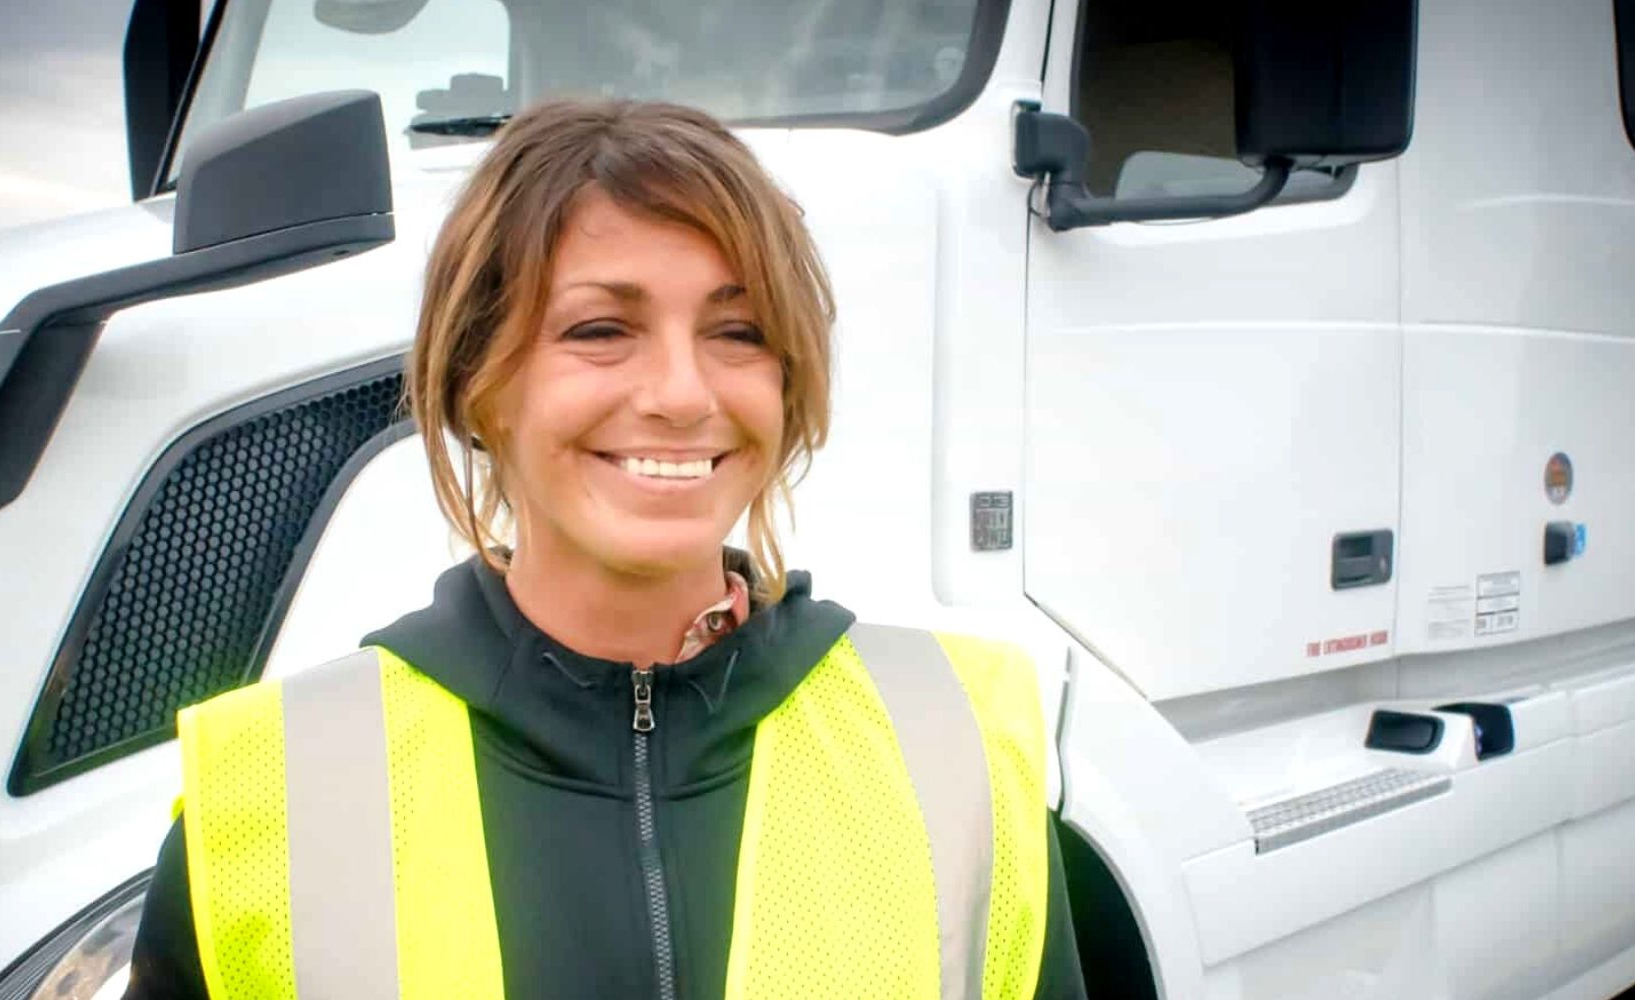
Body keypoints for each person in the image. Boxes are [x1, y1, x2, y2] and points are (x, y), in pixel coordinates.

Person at [123, 98, 1086, 1000]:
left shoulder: (960, 743)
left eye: (739, 331)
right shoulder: (267, 791)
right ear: (474, 383)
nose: (680, 392)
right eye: (600, 329)